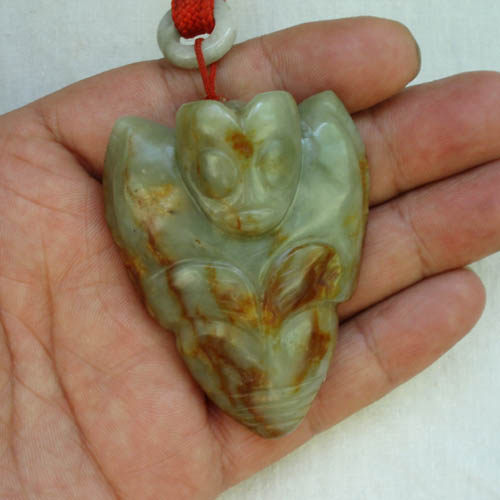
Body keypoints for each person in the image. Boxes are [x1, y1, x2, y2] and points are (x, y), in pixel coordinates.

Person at [0, 17, 498, 499]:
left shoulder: (327, 165)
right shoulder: (149, 183)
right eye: (219, 173)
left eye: (274, 166)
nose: (251, 200)